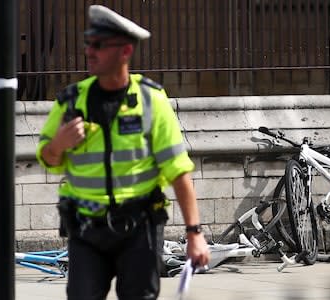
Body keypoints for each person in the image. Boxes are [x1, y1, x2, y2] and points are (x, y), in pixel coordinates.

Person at [36, 4, 210, 300]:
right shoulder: (70, 101)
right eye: (88, 43)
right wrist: (58, 145)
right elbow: (47, 160)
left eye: (99, 45)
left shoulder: (150, 100)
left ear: (125, 52)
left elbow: (178, 170)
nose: (90, 51)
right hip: (86, 231)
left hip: (139, 231)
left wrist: (195, 233)